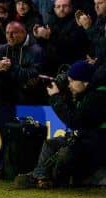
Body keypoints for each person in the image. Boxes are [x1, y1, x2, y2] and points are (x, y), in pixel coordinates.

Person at [15, 60, 106, 189]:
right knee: (51, 143)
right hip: (86, 140)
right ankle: (42, 178)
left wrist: (56, 98)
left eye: (72, 81)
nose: (69, 85)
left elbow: (74, 121)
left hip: (97, 144)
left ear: (84, 81)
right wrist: (63, 97)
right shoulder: (86, 94)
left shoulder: (98, 96)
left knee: (65, 153)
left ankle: (40, 177)